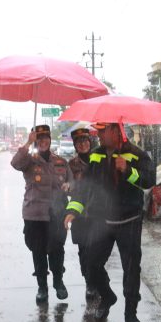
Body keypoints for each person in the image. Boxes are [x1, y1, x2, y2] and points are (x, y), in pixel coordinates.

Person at [63, 122, 156, 322]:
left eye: (103, 131)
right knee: (91, 264)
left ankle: (130, 316)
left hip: (129, 221)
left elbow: (149, 181)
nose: (99, 134)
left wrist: (128, 170)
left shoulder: (136, 154)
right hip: (103, 220)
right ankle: (107, 297)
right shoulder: (96, 155)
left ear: (115, 131)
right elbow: (85, 187)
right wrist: (73, 210)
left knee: (131, 269)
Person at [11, 125, 71, 304]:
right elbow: (15, 163)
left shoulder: (60, 162)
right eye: (39, 138)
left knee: (57, 250)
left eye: (46, 137)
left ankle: (58, 282)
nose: (43, 141)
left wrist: (69, 186)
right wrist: (28, 142)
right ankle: (42, 287)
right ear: (36, 141)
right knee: (38, 252)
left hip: (56, 214)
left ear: (50, 140)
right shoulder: (29, 161)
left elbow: (72, 182)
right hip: (34, 215)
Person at [65, 127, 97, 300]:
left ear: (90, 142)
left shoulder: (99, 159)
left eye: (85, 141)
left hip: (99, 213)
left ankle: (97, 280)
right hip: (80, 214)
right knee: (84, 251)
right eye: (79, 142)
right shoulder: (71, 165)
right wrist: (68, 187)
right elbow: (67, 185)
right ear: (75, 146)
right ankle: (89, 283)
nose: (83, 144)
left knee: (97, 250)